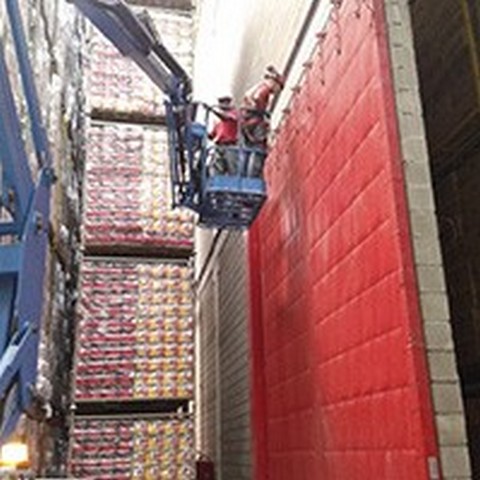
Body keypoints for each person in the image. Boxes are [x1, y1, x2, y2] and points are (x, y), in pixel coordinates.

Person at [241, 65, 285, 176]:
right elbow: (257, 98)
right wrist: (263, 113)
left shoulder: (256, 86)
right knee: (259, 150)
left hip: (246, 122)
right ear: (274, 83)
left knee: (247, 151)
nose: (276, 92)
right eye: (278, 88)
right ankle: (253, 175)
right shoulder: (264, 89)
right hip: (255, 122)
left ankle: (244, 175)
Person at [208, 96, 240, 175]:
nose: (221, 105)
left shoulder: (234, 113)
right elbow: (211, 136)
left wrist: (212, 110)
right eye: (220, 103)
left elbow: (226, 118)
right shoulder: (218, 122)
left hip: (230, 146)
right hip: (219, 146)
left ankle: (234, 182)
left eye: (223, 103)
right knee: (216, 167)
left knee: (232, 168)